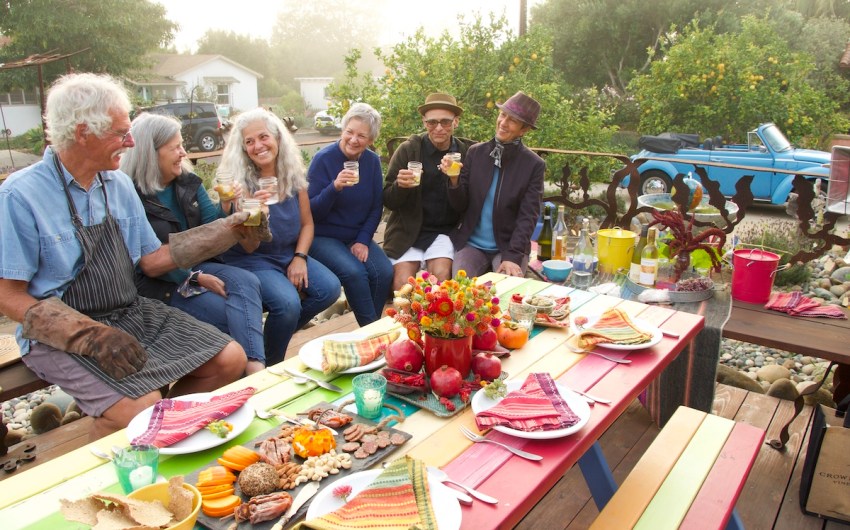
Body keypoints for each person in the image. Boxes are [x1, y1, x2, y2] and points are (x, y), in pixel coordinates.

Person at [0, 73, 254, 438]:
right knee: (140, 406)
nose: (131, 141)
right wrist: (87, 334)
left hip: (127, 312)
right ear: (83, 132)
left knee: (229, 360)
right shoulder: (21, 195)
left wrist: (226, 231)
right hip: (57, 332)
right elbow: (8, 296)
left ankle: (162, 436)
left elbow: (151, 260)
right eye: (121, 133)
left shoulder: (117, 184)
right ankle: (111, 462)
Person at [121, 113, 267, 375]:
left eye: (182, 145)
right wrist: (195, 277)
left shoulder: (187, 182)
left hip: (200, 266)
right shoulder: (131, 195)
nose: (183, 153)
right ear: (150, 153)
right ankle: (242, 374)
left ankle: (255, 368)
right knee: (231, 317)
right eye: (175, 147)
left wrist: (226, 207)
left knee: (248, 281)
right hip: (162, 284)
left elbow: (211, 228)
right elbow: (147, 263)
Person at [219, 107, 341, 364]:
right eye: (249, 142)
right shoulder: (239, 185)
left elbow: (307, 225)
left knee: (329, 289)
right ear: (243, 149)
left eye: (263, 137)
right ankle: (270, 364)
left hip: (286, 254)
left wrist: (300, 257)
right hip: (251, 260)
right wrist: (250, 209)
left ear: (277, 139)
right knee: (288, 305)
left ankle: (272, 338)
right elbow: (245, 244)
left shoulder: (292, 177)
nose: (258, 146)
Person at [307, 103, 393, 326]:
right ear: (342, 131)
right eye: (350, 132)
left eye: (361, 135)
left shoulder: (372, 162)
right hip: (323, 235)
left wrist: (363, 240)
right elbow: (311, 212)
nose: (354, 140)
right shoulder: (323, 160)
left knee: (383, 272)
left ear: (370, 139)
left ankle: (369, 328)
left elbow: (376, 206)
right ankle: (373, 331)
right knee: (355, 274)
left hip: (355, 235)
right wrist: (334, 188)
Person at [446, 91, 546, 278]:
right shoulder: (475, 153)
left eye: (513, 120)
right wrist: (454, 180)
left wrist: (513, 256)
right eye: (502, 115)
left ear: (523, 130)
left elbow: (528, 216)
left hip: (508, 247)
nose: (503, 123)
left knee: (507, 288)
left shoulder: (533, 165)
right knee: (461, 289)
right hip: (471, 244)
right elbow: (460, 205)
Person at [383, 93, 475, 290]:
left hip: (445, 231)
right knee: (402, 285)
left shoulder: (466, 153)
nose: (439, 128)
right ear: (424, 123)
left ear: (456, 122)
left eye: (445, 122)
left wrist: (454, 180)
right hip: (408, 231)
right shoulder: (408, 150)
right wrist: (400, 187)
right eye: (432, 122)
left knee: (442, 280)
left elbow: (466, 205)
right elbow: (388, 200)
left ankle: (433, 321)